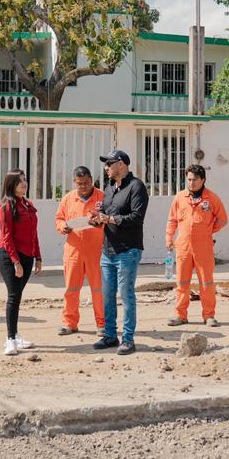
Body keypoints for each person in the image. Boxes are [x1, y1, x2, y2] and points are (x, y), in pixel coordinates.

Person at [90, 150, 147, 356]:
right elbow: (106, 215)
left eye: (109, 164)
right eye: (105, 164)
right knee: (107, 296)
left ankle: (128, 339)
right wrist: (97, 219)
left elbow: (136, 218)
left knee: (126, 294)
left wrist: (110, 219)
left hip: (127, 250)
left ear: (121, 164)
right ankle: (110, 335)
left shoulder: (136, 187)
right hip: (108, 250)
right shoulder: (109, 188)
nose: (106, 168)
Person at [166, 164, 229, 328]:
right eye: (189, 179)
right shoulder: (180, 197)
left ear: (203, 180)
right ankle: (180, 315)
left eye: (194, 179)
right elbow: (172, 220)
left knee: (206, 282)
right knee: (182, 282)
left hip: (203, 247)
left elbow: (222, 219)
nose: (191, 183)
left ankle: (209, 315)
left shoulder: (212, 198)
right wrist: (169, 238)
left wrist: (208, 230)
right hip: (183, 246)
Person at [0, 169, 41, 356]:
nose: (24, 183)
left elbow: (33, 234)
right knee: (13, 296)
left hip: (27, 256)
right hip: (9, 256)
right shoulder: (6, 207)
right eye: (19, 181)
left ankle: (15, 335)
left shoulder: (28, 205)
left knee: (18, 296)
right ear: (11, 185)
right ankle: (9, 339)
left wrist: (38, 257)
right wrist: (15, 262)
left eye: (25, 180)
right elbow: (7, 237)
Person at [54, 166, 103, 336]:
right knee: (71, 289)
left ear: (92, 180)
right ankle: (69, 323)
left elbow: (109, 216)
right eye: (79, 183)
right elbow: (59, 218)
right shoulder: (68, 199)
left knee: (98, 289)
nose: (83, 186)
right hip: (73, 251)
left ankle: (102, 324)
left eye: (86, 183)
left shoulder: (102, 197)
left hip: (96, 250)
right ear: (74, 182)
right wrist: (63, 227)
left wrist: (100, 221)